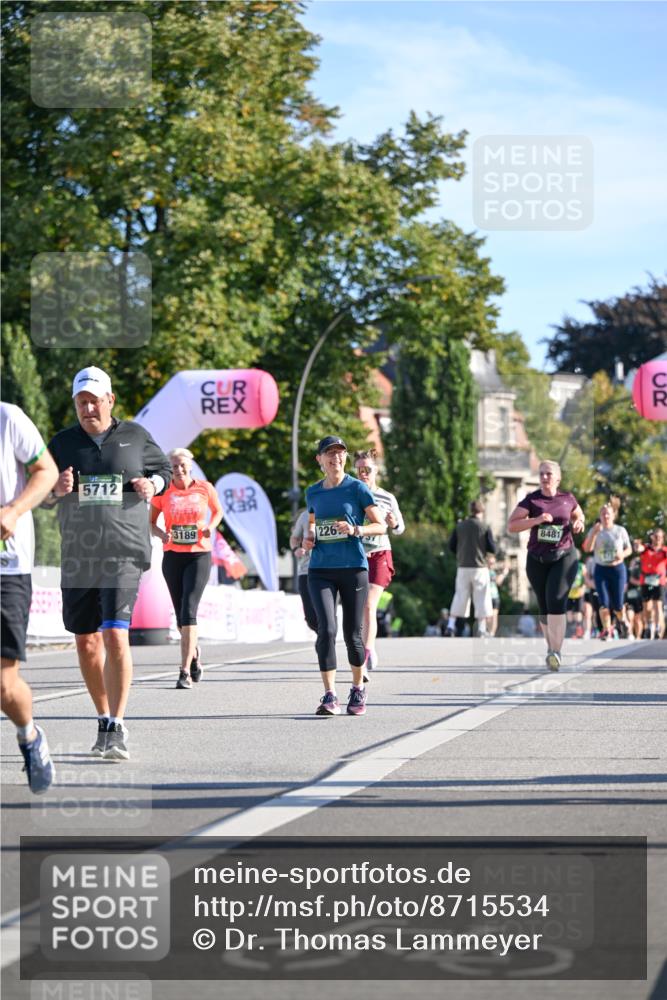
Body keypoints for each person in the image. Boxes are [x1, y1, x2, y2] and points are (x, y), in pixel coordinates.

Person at [44, 366, 171, 760]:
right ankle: (102, 716)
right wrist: (54, 490)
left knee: (116, 634)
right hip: (79, 555)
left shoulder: (135, 436)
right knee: (85, 641)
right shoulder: (63, 443)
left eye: (93, 401)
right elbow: (40, 488)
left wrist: (154, 485)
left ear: (110, 400)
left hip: (124, 550)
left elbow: (162, 470)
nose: (87, 408)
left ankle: (116, 724)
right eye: (80, 402)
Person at [303, 436, 387, 717]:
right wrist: (308, 538)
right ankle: (329, 695)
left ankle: (356, 688)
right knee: (326, 629)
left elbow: (379, 526)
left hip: (352, 568)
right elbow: (313, 522)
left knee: (353, 633)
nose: (336, 458)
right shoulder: (313, 492)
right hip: (320, 569)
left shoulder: (357, 488)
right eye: (330, 453)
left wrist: (356, 530)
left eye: (340, 453)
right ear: (320, 460)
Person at [1, 403, 59, 793]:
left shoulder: (8, 418)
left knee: (4, 685)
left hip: (7, 567)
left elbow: (47, 471)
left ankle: (29, 735)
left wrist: (14, 509)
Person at [150, 448, 223, 688]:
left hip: (198, 555)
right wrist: (162, 534)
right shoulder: (163, 492)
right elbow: (151, 522)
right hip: (172, 556)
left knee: (189, 609)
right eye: (174, 466)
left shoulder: (204, 488)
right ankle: (194, 654)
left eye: (182, 465)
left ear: (190, 465)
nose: (179, 470)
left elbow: (218, 510)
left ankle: (183, 672)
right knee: (181, 615)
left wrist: (210, 526)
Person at [508, 460, 585, 670]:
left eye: (548, 474)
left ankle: (556, 652)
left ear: (558, 478)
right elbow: (512, 525)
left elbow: (579, 514)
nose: (544, 477)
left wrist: (579, 522)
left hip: (564, 556)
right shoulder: (532, 500)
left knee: (556, 601)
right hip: (537, 559)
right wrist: (536, 520)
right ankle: (551, 648)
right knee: (543, 606)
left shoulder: (567, 498)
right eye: (541, 474)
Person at [353, 449, 405, 675]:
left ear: (376, 471)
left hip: (380, 553)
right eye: (359, 470)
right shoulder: (350, 494)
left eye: (367, 470)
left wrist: (394, 524)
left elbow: (401, 528)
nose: (363, 473)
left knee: (368, 605)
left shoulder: (387, 497)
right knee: (358, 607)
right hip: (356, 555)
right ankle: (364, 648)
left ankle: (367, 650)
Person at [444, 500, 496, 638]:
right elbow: (493, 548)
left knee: (460, 595)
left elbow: (451, 546)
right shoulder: (484, 526)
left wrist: (461, 552)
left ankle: (450, 625)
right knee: (482, 597)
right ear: (482, 511)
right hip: (480, 567)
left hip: (462, 566)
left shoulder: (460, 526)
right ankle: (481, 628)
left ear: (470, 510)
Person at [582, 499, 632, 640]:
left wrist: (622, 554)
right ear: (600, 515)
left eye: (608, 513)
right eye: (603, 513)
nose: (605, 516)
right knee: (603, 603)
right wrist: (594, 534)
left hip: (617, 570)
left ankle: (624, 621)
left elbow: (629, 549)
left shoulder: (620, 530)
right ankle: (606, 630)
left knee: (617, 605)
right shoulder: (595, 530)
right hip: (601, 570)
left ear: (613, 515)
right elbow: (587, 549)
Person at [289, 508, 318, 634]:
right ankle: (324, 637)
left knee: (327, 616)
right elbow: (294, 537)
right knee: (311, 618)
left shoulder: (337, 510)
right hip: (307, 570)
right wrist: (296, 548)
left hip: (331, 569)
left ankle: (326, 641)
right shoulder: (305, 515)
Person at [634, 528, 667, 639]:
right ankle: (648, 627)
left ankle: (658, 629)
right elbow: (639, 549)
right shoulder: (646, 549)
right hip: (646, 580)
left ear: (663, 539)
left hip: (659, 581)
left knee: (658, 605)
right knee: (647, 607)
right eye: (655, 536)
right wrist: (637, 545)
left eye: (660, 537)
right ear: (652, 537)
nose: (657, 539)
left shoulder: (664, 551)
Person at [486, 554, 510, 637]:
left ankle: (492, 634)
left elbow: (498, 582)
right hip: (486, 596)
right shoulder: (484, 571)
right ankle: (488, 632)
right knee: (488, 616)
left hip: (494, 596)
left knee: (494, 616)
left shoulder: (493, 572)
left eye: (493, 563)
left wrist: (504, 573)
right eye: (490, 563)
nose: (492, 564)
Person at [566, 550, 586, 638]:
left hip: (578, 592)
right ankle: (572, 630)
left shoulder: (582, 566)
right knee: (569, 613)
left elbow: (585, 579)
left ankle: (578, 629)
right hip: (568, 593)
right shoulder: (567, 565)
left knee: (578, 612)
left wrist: (583, 588)